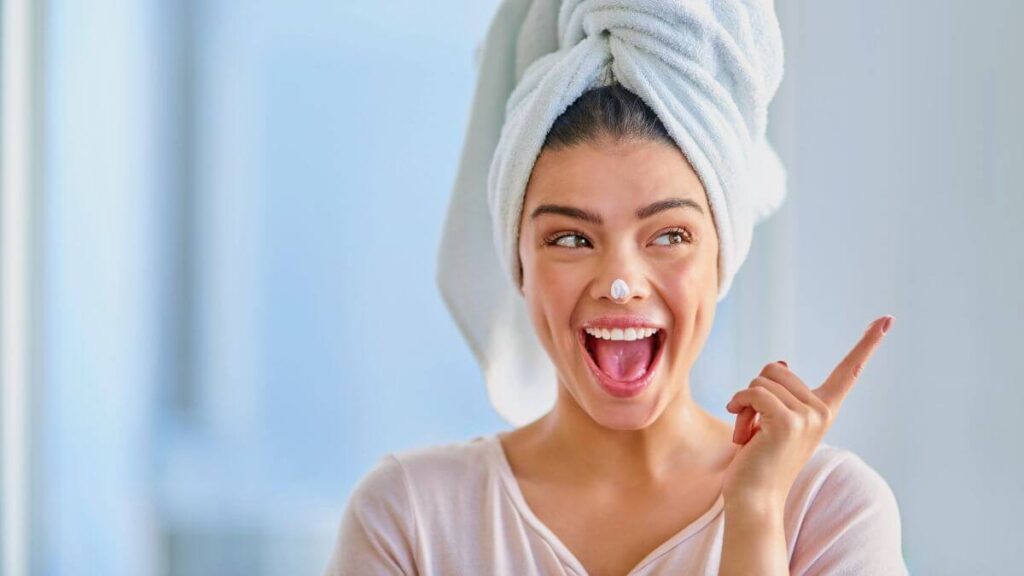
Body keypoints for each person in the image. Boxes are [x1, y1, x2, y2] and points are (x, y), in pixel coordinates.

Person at [326, 1, 909, 574]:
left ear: (722, 254)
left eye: (669, 234)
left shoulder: (828, 511)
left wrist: (755, 514)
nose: (621, 284)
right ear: (520, 262)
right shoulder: (409, 520)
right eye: (572, 239)